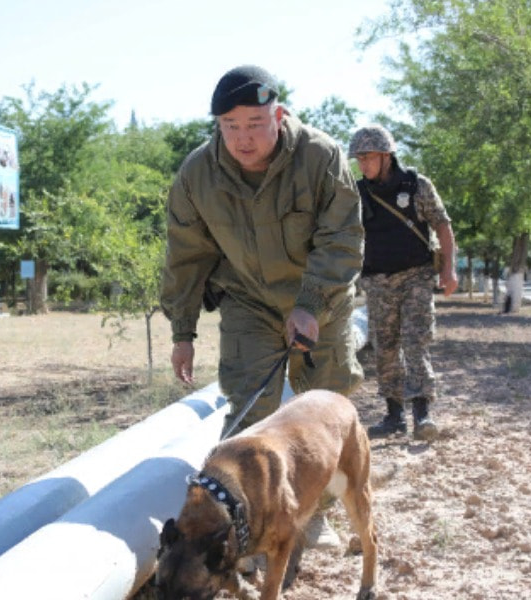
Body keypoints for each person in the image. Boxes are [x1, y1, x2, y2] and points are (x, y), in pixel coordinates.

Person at [160, 64, 365, 551]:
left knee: (324, 411)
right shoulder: (196, 174)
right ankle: (246, 524)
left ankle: (313, 515)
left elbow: (341, 240)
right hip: (249, 301)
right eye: (229, 127)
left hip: (324, 303)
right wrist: (182, 332)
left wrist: (310, 305)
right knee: (254, 408)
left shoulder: (321, 156)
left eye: (254, 123)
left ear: (280, 114)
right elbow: (187, 257)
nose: (242, 139)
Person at [349, 124, 458, 441]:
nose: (363, 164)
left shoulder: (416, 185)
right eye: (359, 159)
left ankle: (422, 413)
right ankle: (394, 415)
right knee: (385, 348)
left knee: (415, 341)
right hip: (377, 281)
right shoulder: (357, 192)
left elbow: (443, 226)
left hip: (416, 277)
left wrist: (448, 270)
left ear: (385, 155)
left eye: (368, 157)